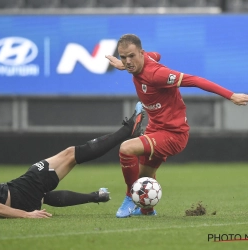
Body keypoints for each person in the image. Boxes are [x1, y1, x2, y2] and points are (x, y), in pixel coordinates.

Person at [105, 33, 248, 218]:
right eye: (123, 57)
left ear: (141, 53)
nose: (127, 61)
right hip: (156, 129)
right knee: (143, 177)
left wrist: (231, 96)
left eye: (131, 56)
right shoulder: (143, 59)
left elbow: (196, 80)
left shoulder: (156, 75)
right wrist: (124, 66)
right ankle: (147, 211)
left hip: (173, 134)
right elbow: (156, 55)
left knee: (126, 149)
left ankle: (130, 198)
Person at [0, 102, 144, 219]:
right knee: (71, 154)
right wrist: (27, 215)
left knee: (44, 198)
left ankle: (94, 196)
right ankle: (129, 130)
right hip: (20, 191)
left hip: (21, 200)